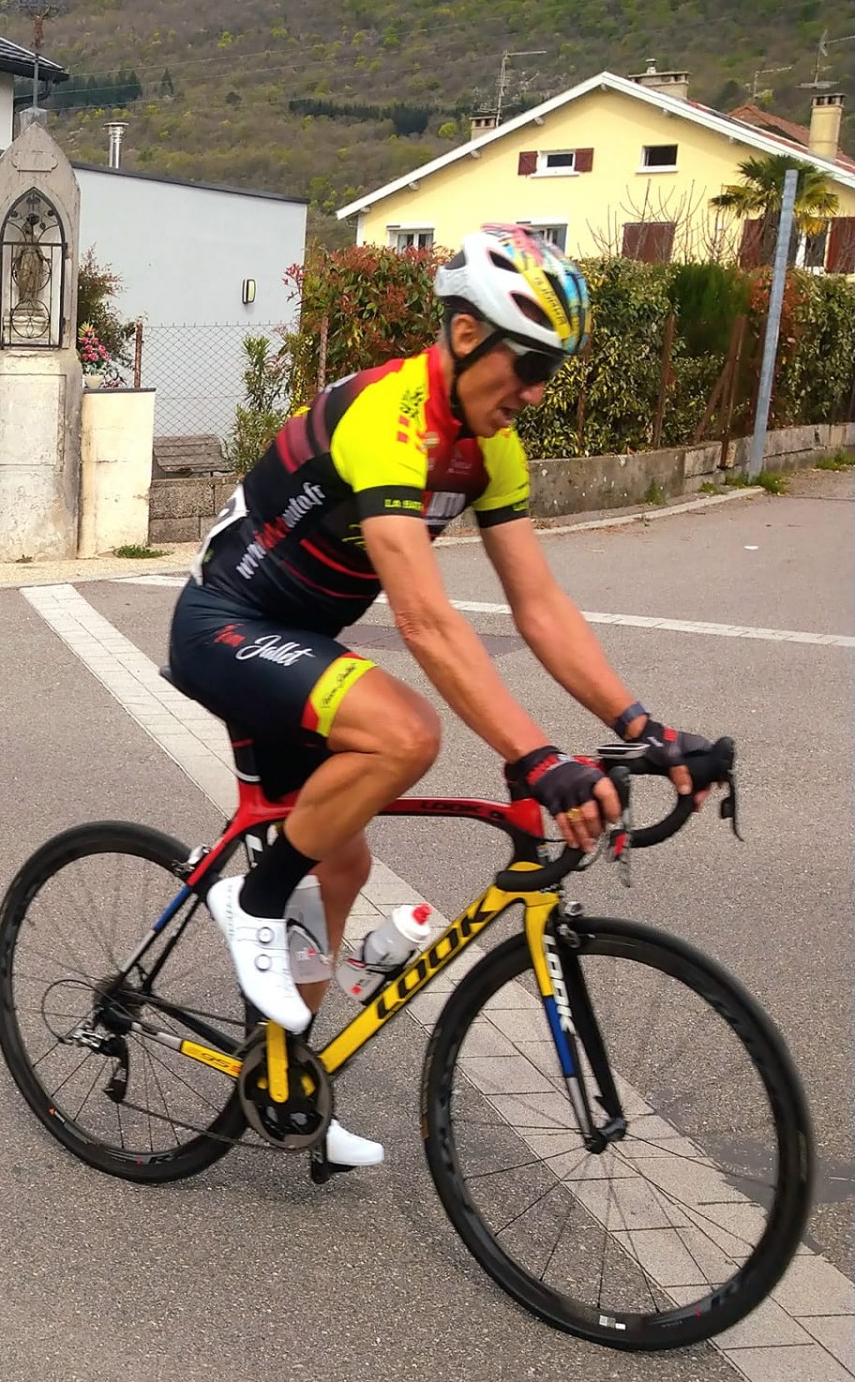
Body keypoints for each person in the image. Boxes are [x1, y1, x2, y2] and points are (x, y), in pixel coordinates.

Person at [169, 226, 708, 1167]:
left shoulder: (489, 445)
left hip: (298, 640)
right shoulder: (390, 415)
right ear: (466, 336)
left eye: (551, 370)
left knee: (340, 862)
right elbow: (424, 620)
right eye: (529, 363)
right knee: (405, 734)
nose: (537, 391)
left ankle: (284, 1077)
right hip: (223, 621)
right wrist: (538, 759)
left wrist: (644, 727)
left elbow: (538, 607)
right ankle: (250, 899)